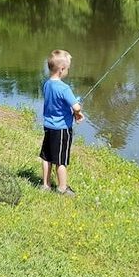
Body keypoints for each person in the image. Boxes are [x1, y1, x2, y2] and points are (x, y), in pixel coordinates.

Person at [40, 49, 84, 196]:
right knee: (61, 160)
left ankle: (45, 185)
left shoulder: (46, 84)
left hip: (48, 126)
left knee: (46, 157)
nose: (68, 71)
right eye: (68, 69)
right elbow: (76, 107)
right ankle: (62, 188)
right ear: (62, 69)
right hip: (61, 129)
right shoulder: (64, 88)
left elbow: (55, 103)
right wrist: (77, 112)